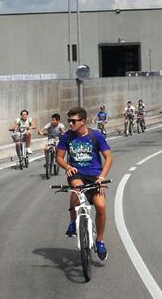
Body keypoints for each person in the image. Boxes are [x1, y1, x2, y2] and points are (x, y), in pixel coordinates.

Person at [56, 107, 113, 261]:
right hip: (77, 172)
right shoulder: (67, 136)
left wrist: (101, 178)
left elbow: (108, 158)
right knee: (76, 188)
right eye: (69, 121)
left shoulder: (96, 136)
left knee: (100, 207)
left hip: (95, 175)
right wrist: (67, 166)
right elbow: (59, 157)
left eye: (73, 121)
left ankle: (99, 241)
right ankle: (73, 222)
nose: (70, 124)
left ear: (83, 121)